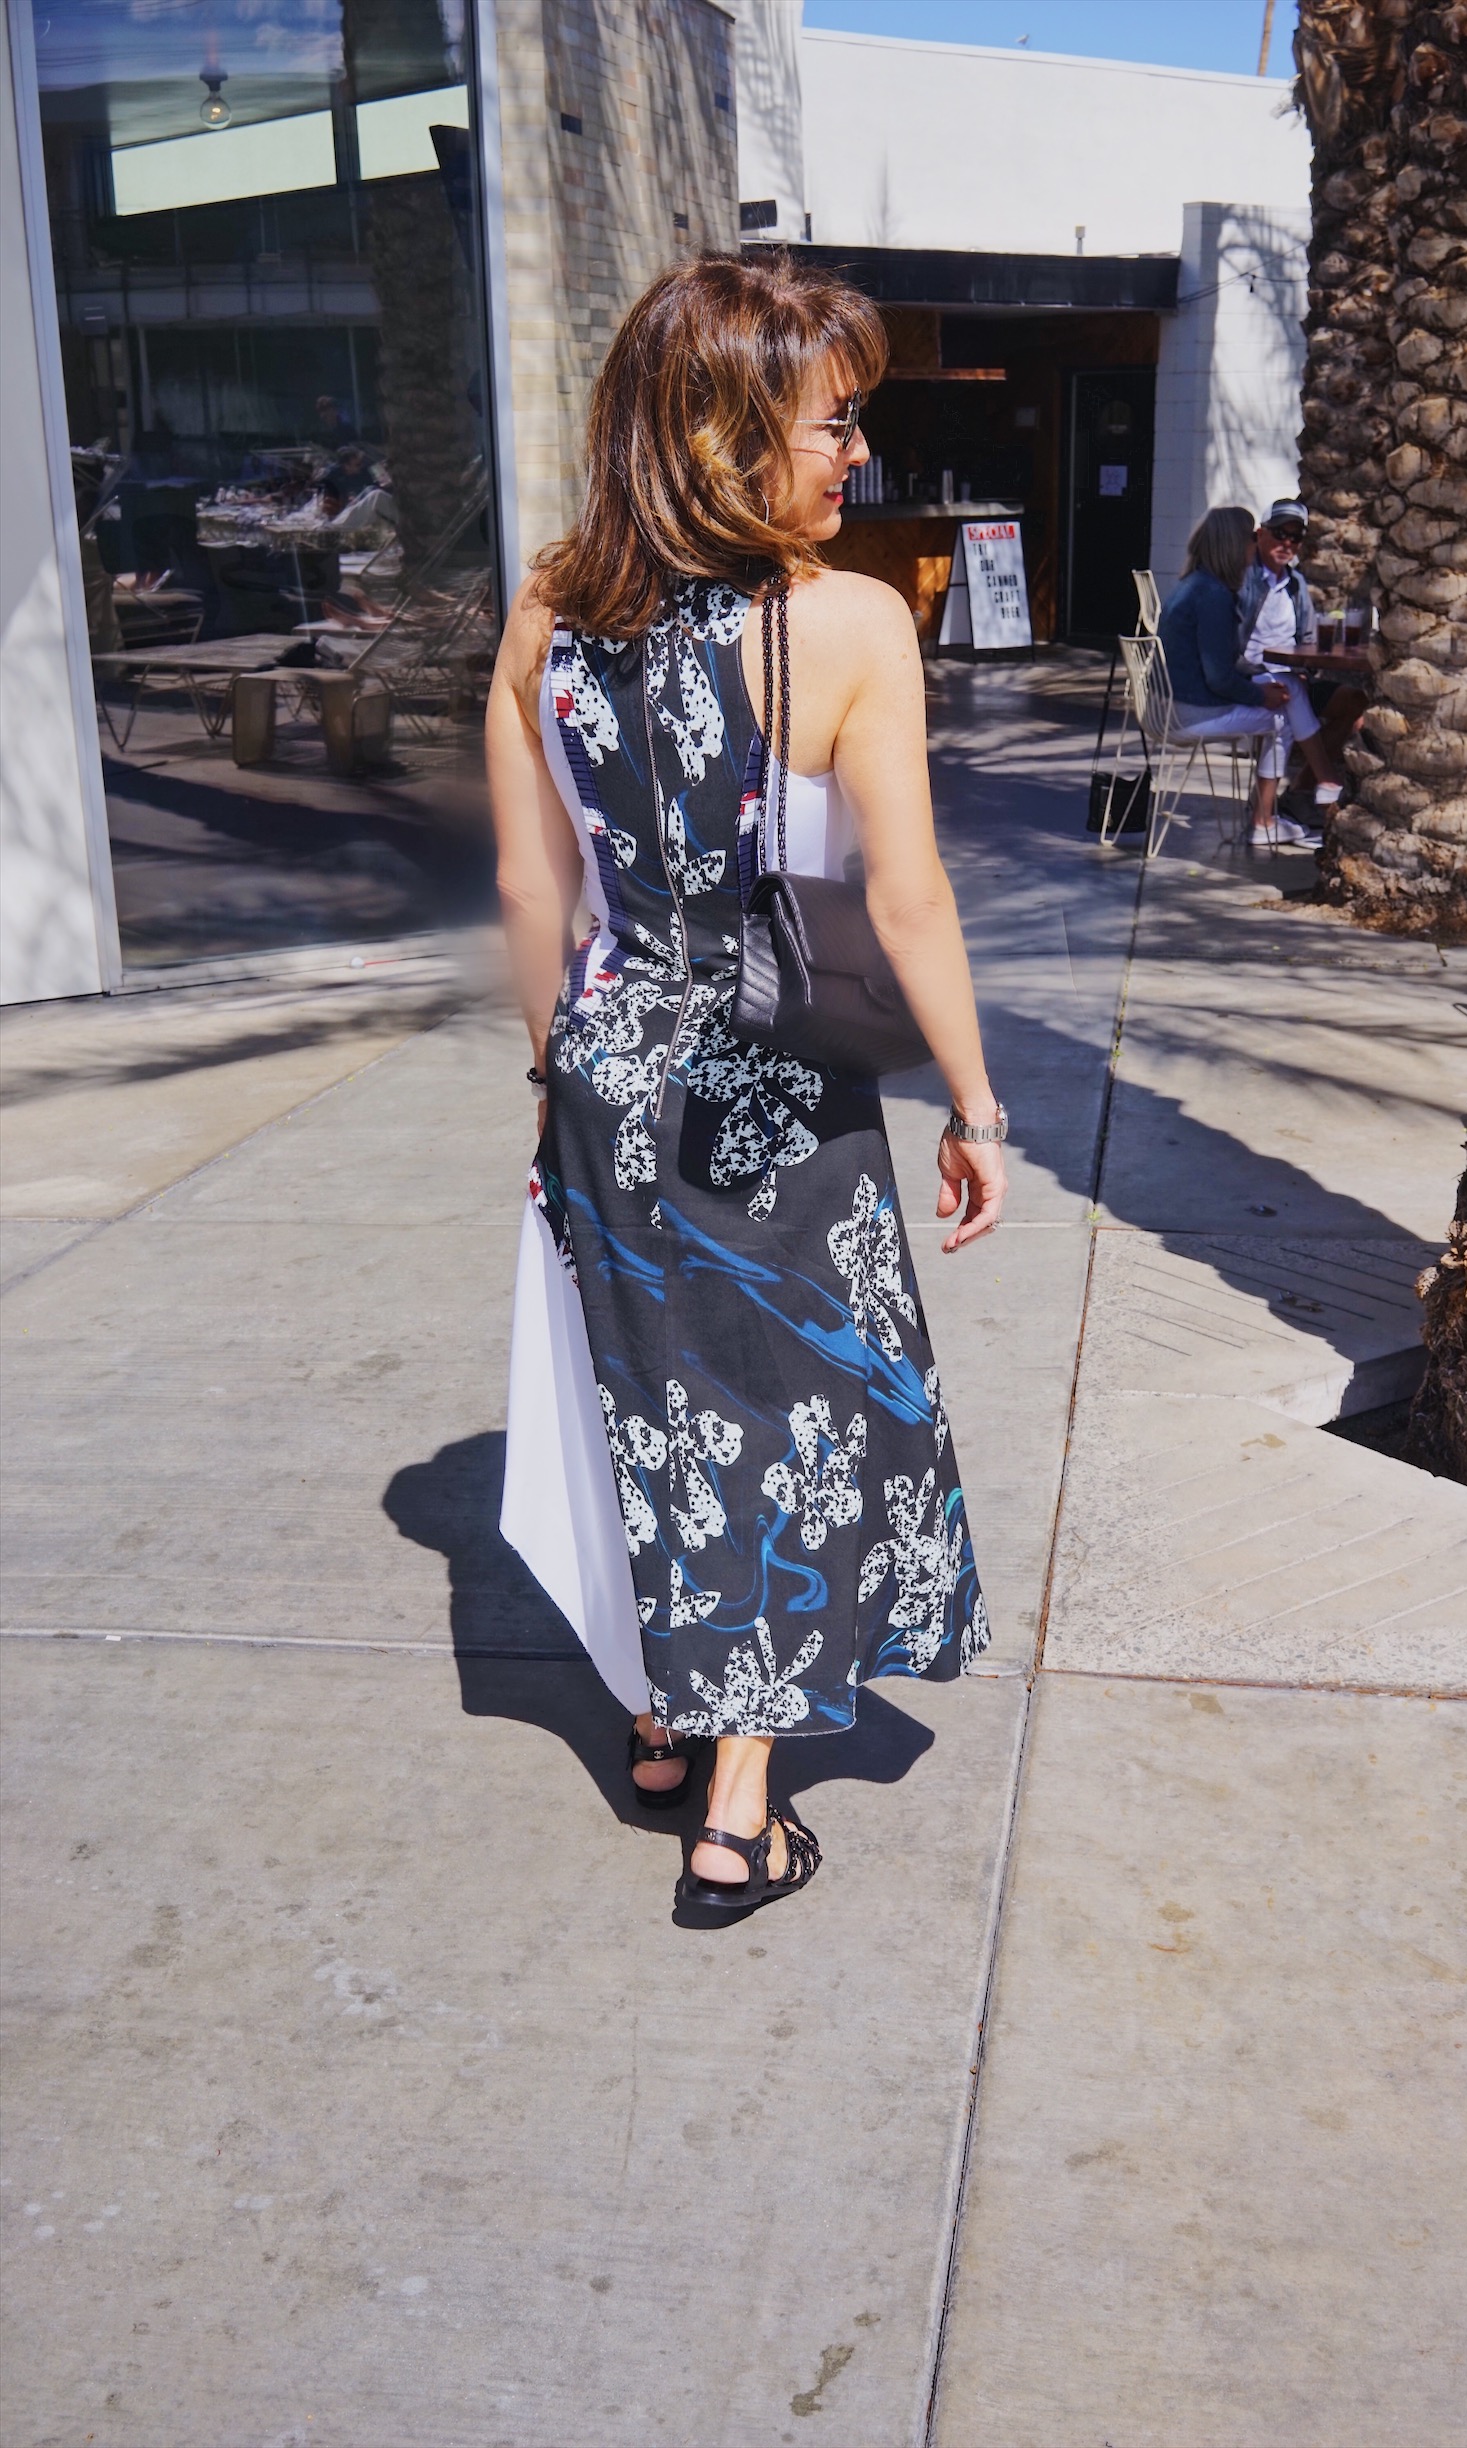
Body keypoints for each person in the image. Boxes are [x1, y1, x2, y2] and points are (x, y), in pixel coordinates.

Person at [486, 253, 1005, 1917]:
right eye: (830, 426)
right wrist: (975, 1109)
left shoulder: (549, 611)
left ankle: (656, 1717)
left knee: (652, 1402)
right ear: (720, 439)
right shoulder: (847, 623)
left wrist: (551, 1069)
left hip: (607, 1063)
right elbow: (907, 900)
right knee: (787, 1423)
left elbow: (527, 890)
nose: (853, 457)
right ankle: (733, 1811)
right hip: (767, 1080)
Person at [1158, 504, 1339, 851]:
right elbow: (1219, 677)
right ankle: (1277, 812)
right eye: (1250, 538)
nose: (1254, 545)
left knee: (1288, 690)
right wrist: (1261, 696)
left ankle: (1278, 811)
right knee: (1284, 707)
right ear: (1232, 544)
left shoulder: (1195, 585)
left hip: (1174, 705)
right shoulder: (1213, 596)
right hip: (1189, 713)